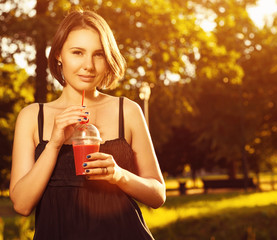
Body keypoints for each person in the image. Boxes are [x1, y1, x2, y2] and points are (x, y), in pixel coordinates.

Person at [10, 9, 166, 240]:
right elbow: (22, 205)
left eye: (99, 54)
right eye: (78, 52)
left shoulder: (128, 111)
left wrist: (119, 175)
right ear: (59, 55)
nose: (89, 65)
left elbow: (158, 195)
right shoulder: (33, 117)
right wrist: (54, 144)